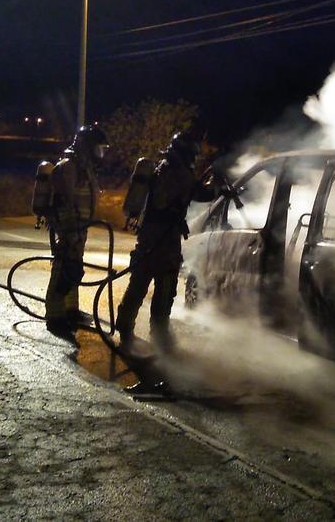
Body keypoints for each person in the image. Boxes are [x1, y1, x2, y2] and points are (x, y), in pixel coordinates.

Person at [115, 130, 219, 351]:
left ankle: (124, 326)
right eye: (195, 150)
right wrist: (217, 184)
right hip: (164, 238)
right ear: (186, 149)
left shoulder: (164, 167)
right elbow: (201, 194)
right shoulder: (178, 172)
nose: (196, 155)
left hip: (151, 235)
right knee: (165, 285)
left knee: (140, 282)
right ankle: (160, 336)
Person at [43, 123, 107, 334]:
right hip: (69, 229)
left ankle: (70, 310)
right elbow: (64, 202)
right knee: (62, 270)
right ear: (86, 147)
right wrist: (70, 232)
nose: (100, 153)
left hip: (79, 228)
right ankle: (54, 317)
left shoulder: (82, 168)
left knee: (73, 269)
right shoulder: (68, 167)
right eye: (97, 148)